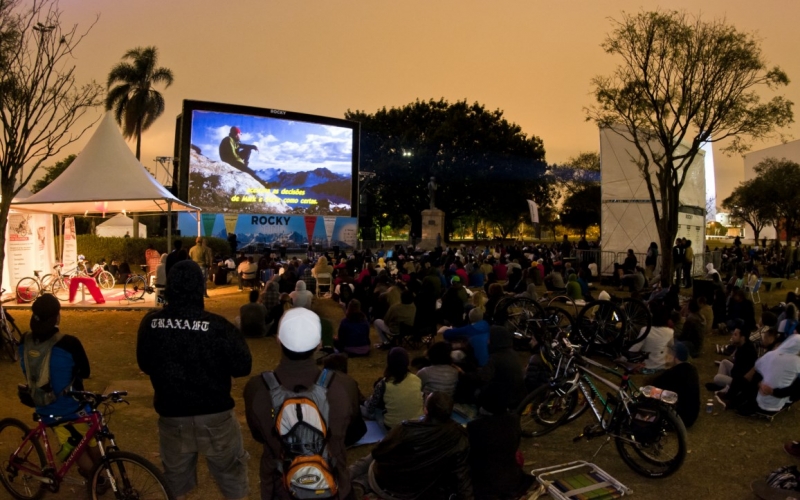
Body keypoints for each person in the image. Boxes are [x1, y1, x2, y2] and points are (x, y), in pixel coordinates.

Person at [137, 260, 253, 500]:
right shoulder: (218, 327)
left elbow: (145, 364)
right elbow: (243, 366)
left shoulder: (151, 324)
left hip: (173, 415)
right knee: (232, 480)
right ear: (200, 288)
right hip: (216, 415)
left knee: (175, 485)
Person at [244, 308, 359, 499]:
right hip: (334, 487)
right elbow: (352, 432)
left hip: (281, 489)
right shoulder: (344, 386)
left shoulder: (257, 389)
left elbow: (259, 436)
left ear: (278, 340)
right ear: (319, 344)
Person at [19, 295, 100, 481]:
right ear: (57, 317)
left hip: (42, 403)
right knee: (91, 439)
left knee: (73, 442)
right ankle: (99, 478)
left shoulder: (24, 341)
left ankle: (96, 476)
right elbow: (85, 372)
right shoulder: (69, 343)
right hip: (72, 405)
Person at [349, 392, 473, 500]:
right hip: (417, 491)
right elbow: (461, 475)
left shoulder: (406, 429)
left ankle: (354, 480)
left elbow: (378, 453)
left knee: (370, 459)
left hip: (392, 486)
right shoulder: (459, 437)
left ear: (426, 410)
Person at [467, 389, 534, 499]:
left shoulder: (475, 426)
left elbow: (472, 453)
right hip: (512, 477)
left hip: (485, 482)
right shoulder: (513, 420)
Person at [362, 347, 424, 430]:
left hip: (393, 428)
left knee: (368, 409)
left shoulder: (383, 384)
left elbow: (371, 409)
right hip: (417, 424)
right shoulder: (416, 379)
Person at [648, 342, 700, 428]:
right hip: (691, 416)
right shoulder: (691, 370)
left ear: (675, 358)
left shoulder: (673, 374)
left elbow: (654, 385)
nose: (666, 355)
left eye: (669, 353)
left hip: (678, 419)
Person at [709, 319, 757, 407]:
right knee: (724, 362)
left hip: (740, 382)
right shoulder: (742, 346)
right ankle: (723, 387)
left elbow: (740, 374)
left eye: (735, 335)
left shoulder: (747, 351)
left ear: (742, 338)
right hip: (737, 375)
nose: (732, 336)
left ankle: (725, 388)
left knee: (717, 378)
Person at [628, 304, 674, 372]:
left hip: (647, 366)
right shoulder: (670, 332)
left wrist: (622, 358)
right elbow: (671, 345)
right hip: (661, 365)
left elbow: (635, 348)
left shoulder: (645, 330)